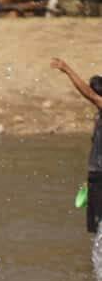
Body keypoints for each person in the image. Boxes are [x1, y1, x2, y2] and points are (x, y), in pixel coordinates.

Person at [51, 58, 102, 232]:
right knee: (96, 229)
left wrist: (67, 69)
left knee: (99, 227)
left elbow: (89, 94)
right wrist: (89, 179)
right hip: (96, 176)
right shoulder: (98, 118)